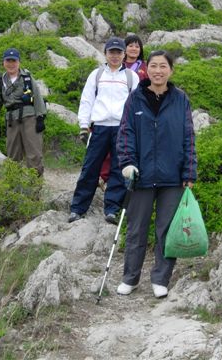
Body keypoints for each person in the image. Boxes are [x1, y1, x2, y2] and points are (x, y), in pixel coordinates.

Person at [116, 50, 196, 299]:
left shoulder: (181, 99)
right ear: (146, 69)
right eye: (153, 66)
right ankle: (130, 278)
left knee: (167, 230)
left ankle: (161, 278)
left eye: (163, 66)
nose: (158, 71)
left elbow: (188, 137)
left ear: (170, 70)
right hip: (141, 176)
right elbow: (126, 132)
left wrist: (189, 172)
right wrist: (127, 163)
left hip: (172, 177)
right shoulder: (135, 98)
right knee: (136, 229)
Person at [68, 37, 139, 225]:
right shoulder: (97, 74)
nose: (115, 56)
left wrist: (136, 129)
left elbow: (136, 105)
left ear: (124, 54)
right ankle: (77, 208)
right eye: (111, 52)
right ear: (105, 53)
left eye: (118, 52)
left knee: (118, 169)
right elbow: (87, 100)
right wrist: (84, 125)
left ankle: (112, 209)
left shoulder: (131, 77)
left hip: (122, 128)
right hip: (99, 127)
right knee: (90, 167)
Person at [0, 47, 47, 176]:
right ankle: (13, 186)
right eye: (8, 61)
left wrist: (40, 117)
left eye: (14, 61)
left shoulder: (27, 78)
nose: (11, 64)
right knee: (13, 156)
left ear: (19, 62)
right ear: (4, 62)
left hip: (30, 119)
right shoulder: (0, 82)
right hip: (11, 122)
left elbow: (37, 96)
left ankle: (35, 188)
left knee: (34, 155)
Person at [98, 34, 149, 188]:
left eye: (137, 46)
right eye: (130, 45)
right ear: (124, 49)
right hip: (110, 115)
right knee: (107, 151)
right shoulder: (115, 66)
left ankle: (124, 182)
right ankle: (104, 177)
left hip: (133, 113)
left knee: (127, 148)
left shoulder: (145, 67)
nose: (134, 49)